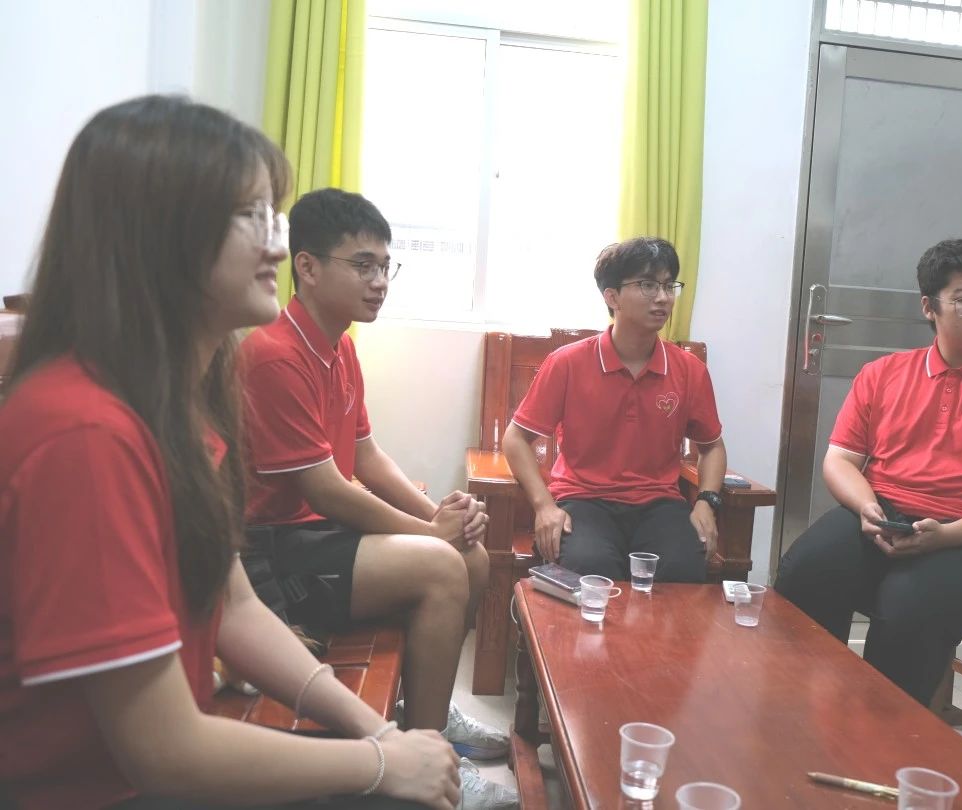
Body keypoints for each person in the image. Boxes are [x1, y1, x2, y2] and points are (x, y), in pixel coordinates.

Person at [0, 95, 461, 810]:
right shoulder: (85, 433)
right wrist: (378, 765)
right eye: (251, 217)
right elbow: (165, 750)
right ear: (161, 234)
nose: (276, 245)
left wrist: (381, 736)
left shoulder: (179, 403)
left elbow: (236, 609)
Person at [239, 188, 516, 809]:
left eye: (386, 266)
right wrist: (432, 535)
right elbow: (327, 489)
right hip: (276, 555)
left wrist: (438, 516)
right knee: (441, 565)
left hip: (318, 535)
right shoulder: (274, 356)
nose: (380, 282)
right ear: (307, 267)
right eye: (362, 265)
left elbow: (366, 457)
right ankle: (428, 761)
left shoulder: (340, 346)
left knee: (471, 556)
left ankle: (430, 716)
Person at [774, 238, 962, 706]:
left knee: (909, 602)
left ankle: (882, 730)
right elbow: (840, 462)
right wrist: (867, 507)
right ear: (928, 307)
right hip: (888, 517)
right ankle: (800, 709)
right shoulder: (882, 374)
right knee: (806, 570)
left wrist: (947, 537)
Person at [501, 237, 727, 582]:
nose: (663, 297)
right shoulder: (567, 363)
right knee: (589, 567)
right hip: (583, 500)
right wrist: (544, 505)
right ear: (612, 296)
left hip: (659, 504)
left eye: (669, 286)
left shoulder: (689, 370)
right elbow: (515, 438)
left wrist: (706, 502)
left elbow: (712, 446)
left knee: (681, 568)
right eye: (648, 285)